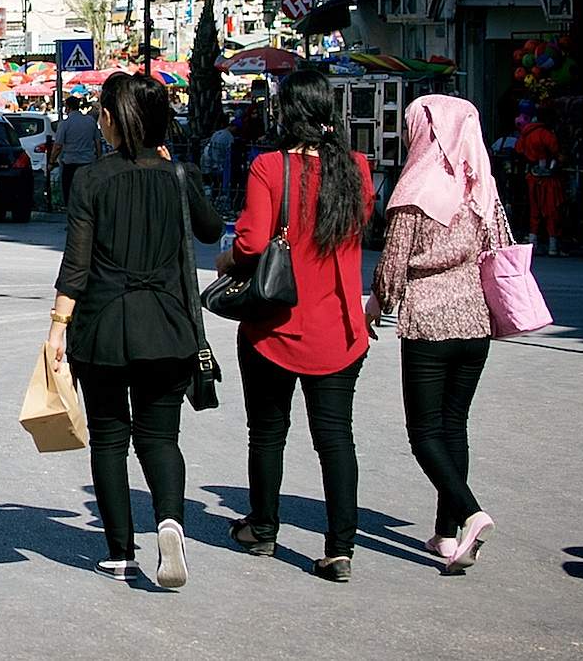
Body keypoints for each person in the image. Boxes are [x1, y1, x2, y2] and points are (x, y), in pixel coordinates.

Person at [49, 74, 223, 586]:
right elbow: (212, 231)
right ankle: (169, 523)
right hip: (169, 326)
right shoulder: (177, 175)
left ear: (110, 119)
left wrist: (57, 328)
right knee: (161, 437)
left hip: (103, 328)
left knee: (109, 439)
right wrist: (180, 175)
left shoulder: (91, 179)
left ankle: (121, 552)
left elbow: (76, 264)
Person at [218, 68, 374, 583]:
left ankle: (263, 528)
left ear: (285, 113)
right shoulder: (356, 168)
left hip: (275, 327)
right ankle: (340, 548)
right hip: (340, 327)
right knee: (336, 438)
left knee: (267, 433)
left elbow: (251, 244)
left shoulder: (270, 167)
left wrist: (225, 260)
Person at [371, 95, 499, 575]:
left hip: (428, 325)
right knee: (454, 426)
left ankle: (470, 513)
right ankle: (446, 534)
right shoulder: (480, 187)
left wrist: (376, 304)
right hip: (475, 322)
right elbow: (493, 249)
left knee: (424, 432)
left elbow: (392, 267)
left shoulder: (414, 189)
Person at [515, 109, 564, 255]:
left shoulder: (525, 134)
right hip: (548, 179)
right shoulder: (546, 134)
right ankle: (552, 246)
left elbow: (518, 150)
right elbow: (556, 151)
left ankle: (533, 243)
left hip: (532, 177)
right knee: (551, 211)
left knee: (534, 211)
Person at [52, 96, 104, 208]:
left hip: (70, 163)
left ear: (68, 107)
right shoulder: (90, 121)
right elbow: (98, 142)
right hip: (88, 162)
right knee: (87, 193)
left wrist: (51, 161)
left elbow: (58, 146)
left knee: (69, 193)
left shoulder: (65, 124)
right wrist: (99, 158)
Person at [201, 113, 236, 209]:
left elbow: (210, 149)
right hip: (220, 165)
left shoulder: (216, 134)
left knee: (213, 185)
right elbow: (228, 153)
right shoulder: (229, 137)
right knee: (219, 186)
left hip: (212, 164)